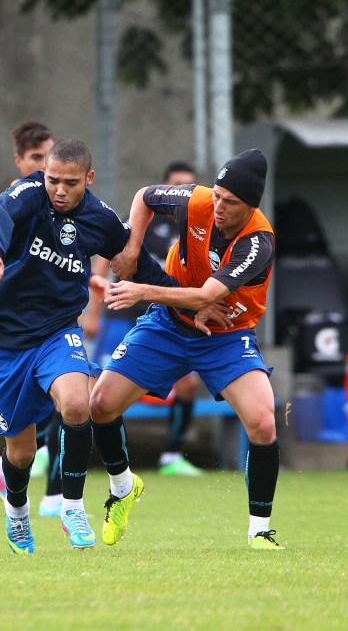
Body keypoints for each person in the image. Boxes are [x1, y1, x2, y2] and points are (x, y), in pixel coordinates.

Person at [0, 139, 187, 553]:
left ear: (87, 179)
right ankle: (17, 512)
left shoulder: (98, 218)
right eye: (53, 179)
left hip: (56, 332)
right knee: (18, 452)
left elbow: (133, 260)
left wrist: (182, 298)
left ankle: (72, 506)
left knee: (77, 404)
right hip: (1, 339)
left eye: (70, 183)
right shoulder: (30, 194)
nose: (58, 190)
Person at [88, 149, 285, 551]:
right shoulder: (197, 199)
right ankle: (124, 488)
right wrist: (131, 249)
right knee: (100, 406)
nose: (218, 207)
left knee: (264, 422)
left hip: (226, 337)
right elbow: (144, 196)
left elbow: (208, 296)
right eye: (217, 195)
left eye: (230, 203)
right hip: (168, 325)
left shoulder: (258, 242)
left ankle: (260, 529)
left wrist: (142, 290)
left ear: (251, 206)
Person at [87, 161, 206, 476]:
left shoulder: (197, 229)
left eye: (188, 187)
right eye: (177, 185)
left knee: (188, 385)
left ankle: (171, 454)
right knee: (93, 386)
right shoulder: (143, 220)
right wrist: (93, 310)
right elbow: (106, 258)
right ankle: (63, 452)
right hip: (122, 313)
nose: (183, 192)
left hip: (167, 316)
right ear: (166, 187)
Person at [0, 120, 66, 518]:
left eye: (48, 158)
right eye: (35, 159)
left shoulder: (65, 201)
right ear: (19, 161)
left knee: (74, 398)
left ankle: (58, 494)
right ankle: (14, 475)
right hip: (9, 336)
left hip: (52, 328)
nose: (42, 166)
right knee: (25, 441)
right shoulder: (20, 201)